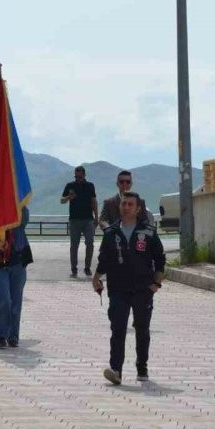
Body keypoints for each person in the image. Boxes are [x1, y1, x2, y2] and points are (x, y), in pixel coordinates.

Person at [92, 192, 166, 385]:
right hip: (118, 288)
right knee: (118, 329)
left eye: (130, 204)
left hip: (143, 289)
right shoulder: (111, 233)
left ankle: (142, 367)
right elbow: (104, 259)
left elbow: (159, 259)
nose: (126, 207)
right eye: (124, 204)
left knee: (142, 329)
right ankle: (116, 369)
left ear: (138, 208)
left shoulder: (148, 232)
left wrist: (156, 283)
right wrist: (97, 277)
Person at [0, 207, 32, 349]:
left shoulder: (19, 209)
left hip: (18, 260)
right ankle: (1, 334)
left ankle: (13, 336)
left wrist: (19, 204)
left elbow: (24, 219)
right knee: (4, 299)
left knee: (16, 301)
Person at [61, 165, 99, 278]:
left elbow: (94, 201)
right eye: (76, 177)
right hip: (74, 220)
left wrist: (96, 217)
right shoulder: (70, 186)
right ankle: (74, 269)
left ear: (84, 176)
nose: (78, 179)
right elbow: (61, 201)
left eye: (80, 177)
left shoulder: (90, 186)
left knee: (90, 243)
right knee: (74, 245)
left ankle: (87, 268)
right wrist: (68, 197)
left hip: (88, 220)